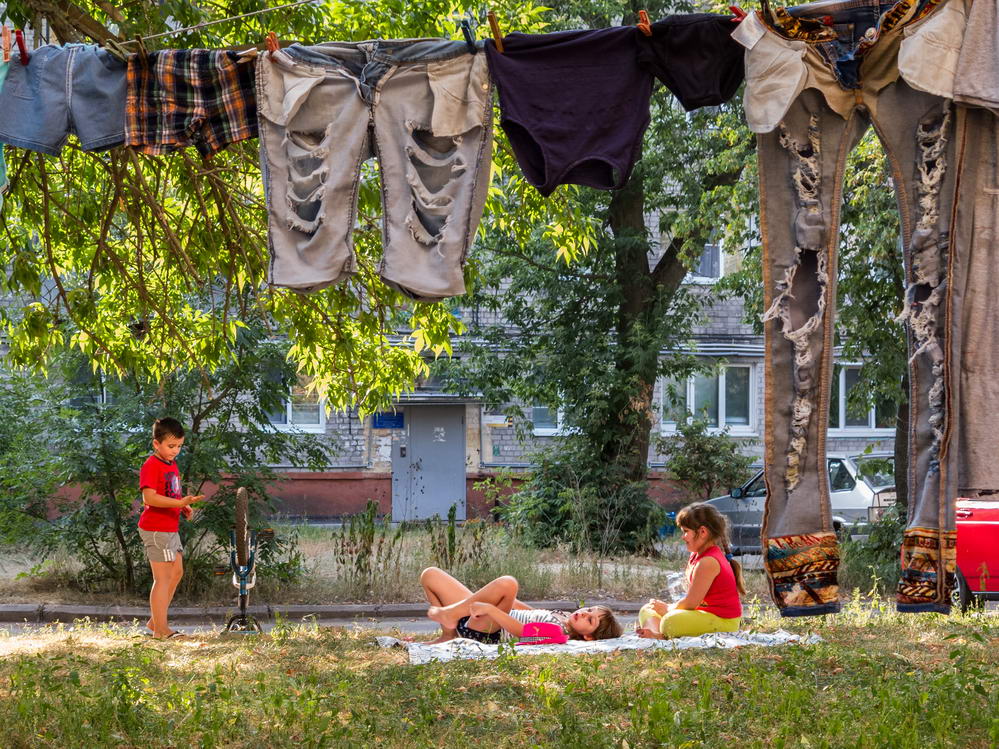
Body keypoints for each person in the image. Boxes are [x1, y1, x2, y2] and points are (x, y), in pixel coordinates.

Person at [418, 567, 623, 644]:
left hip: (488, 632)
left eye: (590, 619)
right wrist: (490, 599)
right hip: (482, 618)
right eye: (588, 609)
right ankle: (449, 633)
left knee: (509, 583)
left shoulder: (560, 633)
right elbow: (528, 612)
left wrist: (491, 609)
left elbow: (523, 631)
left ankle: (451, 615)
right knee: (430, 575)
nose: (583, 613)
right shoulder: (561, 615)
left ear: (588, 636)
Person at [637, 502, 745, 639]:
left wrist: (667, 609)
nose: (682, 537)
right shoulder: (696, 555)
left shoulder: (708, 561)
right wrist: (666, 608)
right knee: (647, 609)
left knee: (670, 621)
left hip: (723, 621)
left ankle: (660, 635)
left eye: (686, 531)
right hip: (702, 614)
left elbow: (690, 603)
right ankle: (656, 635)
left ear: (703, 532)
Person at [137, 417, 203, 639]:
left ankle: (155, 622)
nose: (176, 451)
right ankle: (161, 631)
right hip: (156, 529)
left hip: (169, 526)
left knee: (176, 572)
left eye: (179, 446)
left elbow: (170, 494)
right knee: (162, 578)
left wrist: (181, 508)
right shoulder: (151, 465)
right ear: (157, 444)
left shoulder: (170, 464)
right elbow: (150, 497)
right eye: (171, 446)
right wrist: (179, 503)